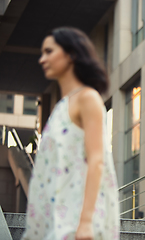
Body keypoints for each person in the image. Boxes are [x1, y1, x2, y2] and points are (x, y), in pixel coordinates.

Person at [21, 27, 119, 240]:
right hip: (57, 215)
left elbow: (97, 160)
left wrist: (85, 222)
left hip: (76, 220)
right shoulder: (61, 106)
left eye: (49, 51)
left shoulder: (88, 98)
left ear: (71, 54)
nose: (41, 59)